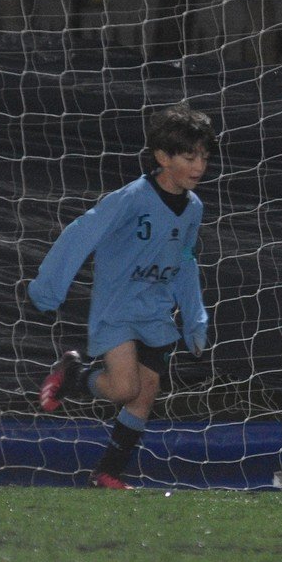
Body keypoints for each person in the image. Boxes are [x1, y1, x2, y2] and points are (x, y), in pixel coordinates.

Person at [28, 103, 217, 490]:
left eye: (204, 156)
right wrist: (49, 287)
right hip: (118, 308)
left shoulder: (194, 208)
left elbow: (186, 261)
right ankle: (75, 376)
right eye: (189, 156)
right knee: (124, 387)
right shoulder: (132, 198)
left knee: (144, 396)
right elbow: (83, 233)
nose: (198, 166)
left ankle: (108, 472)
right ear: (163, 157)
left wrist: (195, 317)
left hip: (157, 312)